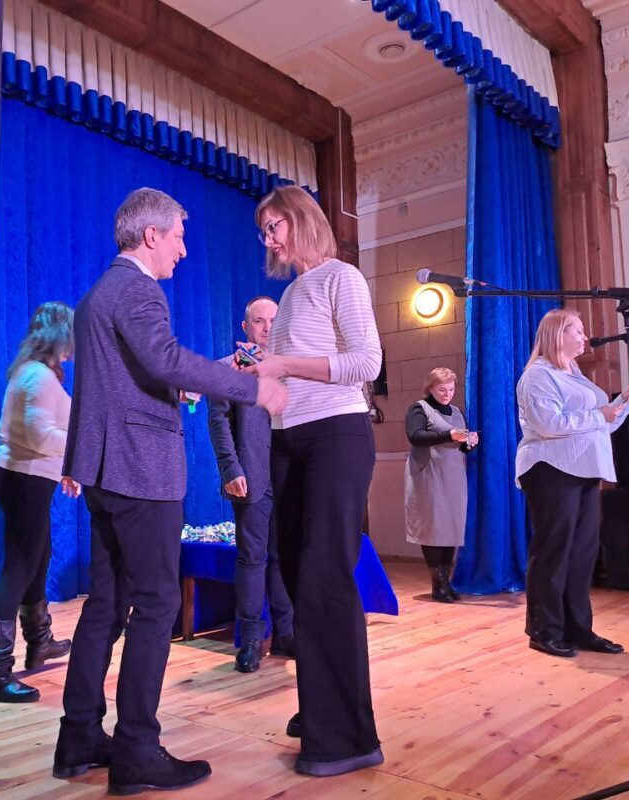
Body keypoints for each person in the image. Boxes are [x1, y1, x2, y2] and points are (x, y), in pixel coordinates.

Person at [51, 188, 288, 795]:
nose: (183, 250)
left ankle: (79, 738)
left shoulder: (98, 294)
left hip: (106, 470)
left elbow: (126, 380)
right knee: (157, 604)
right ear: (151, 235)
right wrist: (252, 387)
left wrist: (181, 388)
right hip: (141, 471)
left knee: (106, 607)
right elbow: (164, 359)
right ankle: (136, 751)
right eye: (179, 237)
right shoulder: (138, 289)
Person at [246, 185, 383, 777]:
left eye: (274, 226)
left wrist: (281, 364)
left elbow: (366, 363)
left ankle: (349, 738)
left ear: (302, 220)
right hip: (290, 440)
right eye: (264, 231)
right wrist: (257, 377)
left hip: (337, 436)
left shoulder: (340, 278)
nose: (269, 238)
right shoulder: (291, 292)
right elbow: (284, 380)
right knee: (299, 577)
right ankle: (323, 704)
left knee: (326, 576)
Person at [516, 308, 629, 659]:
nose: (584, 337)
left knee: (583, 553)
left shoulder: (576, 375)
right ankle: (545, 630)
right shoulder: (538, 375)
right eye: (578, 331)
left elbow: (601, 425)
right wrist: (601, 414)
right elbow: (550, 425)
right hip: (551, 469)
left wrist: (623, 404)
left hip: (584, 469)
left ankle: (578, 628)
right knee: (554, 550)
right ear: (557, 334)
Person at [0, 302, 76, 704]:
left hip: (28, 477)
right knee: (19, 566)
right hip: (26, 478)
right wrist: (81, 447)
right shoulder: (37, 376)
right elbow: (39, 435)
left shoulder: (32, 372)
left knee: (37, 556)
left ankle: (39, 641)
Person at [208, 296, 295, 674]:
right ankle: (250, 641)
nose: (267, 328)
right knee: (253, 559)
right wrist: (231, 469)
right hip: (252, 474)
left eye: (273, 320)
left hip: (288, 474)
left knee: (284, 556)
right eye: (259, 321)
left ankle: (287, 633)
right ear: (246, 327)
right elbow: (219, 424)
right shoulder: (226, 369)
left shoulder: (291, 367)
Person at [404, 367, 478, 603]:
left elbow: (461, 445)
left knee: (451, 528)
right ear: (431, 388)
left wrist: (470, 442)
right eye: (442, 390)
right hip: (429, 476)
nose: (447, 394)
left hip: (454, 477)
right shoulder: (420, 408)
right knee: (434, 528)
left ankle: (446, 581)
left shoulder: (456, 411)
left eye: (451, 390)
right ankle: (438, 583)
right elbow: (415, 436)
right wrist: (449, 436)